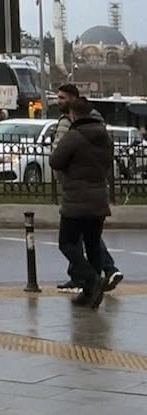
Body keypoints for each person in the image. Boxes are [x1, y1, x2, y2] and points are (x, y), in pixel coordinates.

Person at [52, 83, 122, 293]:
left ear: (73, 114)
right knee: (92, 244)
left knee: (67, 243)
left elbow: (55, 160)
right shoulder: (104, 136)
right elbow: (108, 163)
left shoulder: (74, 135)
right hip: (99, 198)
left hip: (76, 197)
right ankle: (93, 290)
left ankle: (91, 280)